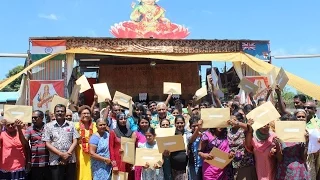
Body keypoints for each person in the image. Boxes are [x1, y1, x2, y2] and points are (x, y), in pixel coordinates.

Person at [42, 104, 79, 180]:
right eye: (58, 111)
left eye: (62, 111)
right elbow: (47, 143)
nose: (60, 113)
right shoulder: (48, 126)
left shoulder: (71, 125)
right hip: (55, 160)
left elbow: (75, 140)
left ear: (65, 113)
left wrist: (67, 154)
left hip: (70, 159)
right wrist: (61, 154)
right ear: (54, 113)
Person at [109, 112, 137, 180]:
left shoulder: (131, 133)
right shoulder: (113, 132)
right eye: (121, 119)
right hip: (118, 161)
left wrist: (133, 163)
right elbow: (111, 148)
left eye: (125, 119)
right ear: (117, 120)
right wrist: (114, 164)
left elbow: (134, 148)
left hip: (128, 162)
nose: (123, 120)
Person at [25, 110, 51, 180]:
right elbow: (25, 141)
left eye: (35, 118)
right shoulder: (29, 129)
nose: (33, 119)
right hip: (35, 163)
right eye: (32, 118)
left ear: (42, 118)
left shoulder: (48, 128)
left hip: (48, 162)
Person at [75, 105, 97, 180]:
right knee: (82, 172)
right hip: (80, 152)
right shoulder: (76, 126)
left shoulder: (95, 125)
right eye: (84, 113)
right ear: (80, 115)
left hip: (93, 152)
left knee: (92, 172)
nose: (86, 115)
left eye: (88, 113)